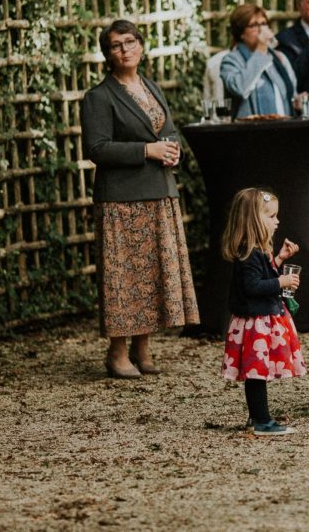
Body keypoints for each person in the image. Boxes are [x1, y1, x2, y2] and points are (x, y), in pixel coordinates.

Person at [81, 19, 199, 379]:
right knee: (124, 279)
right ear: (107, 54)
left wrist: (172, 149)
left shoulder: (151, 87)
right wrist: (147, 150)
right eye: (116, 46)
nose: (124, 50)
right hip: (121, 202)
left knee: (151, 276)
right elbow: (96, 148)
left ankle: (142, 348)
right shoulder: (99, 97)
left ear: (141, 47)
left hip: (159, 193)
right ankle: (117, 353)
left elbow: (167, 130)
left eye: (130, 42)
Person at [220, 188, 306, 436]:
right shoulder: (248, 253)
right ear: (254, 220)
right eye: (271, 216)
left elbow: (261, 275)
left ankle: (257, 416)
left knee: (258, 373)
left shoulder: (256, 251)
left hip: (260, 320)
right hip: (255, 323)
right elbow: (253, 286)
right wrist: (282, 282)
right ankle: (262, 421)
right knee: (256, 374)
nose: (277, 221)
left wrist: (279, 260)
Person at [220, 3, 299, 118]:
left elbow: (290, 94)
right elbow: (239, 88)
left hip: (283, 129)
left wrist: (298, 101)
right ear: (241, 33)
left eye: (263, 24)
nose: (261, 30)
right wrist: (261, 50)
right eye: (254, 25)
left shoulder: (279, 58)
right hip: (250, 132)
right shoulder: (231, 60)